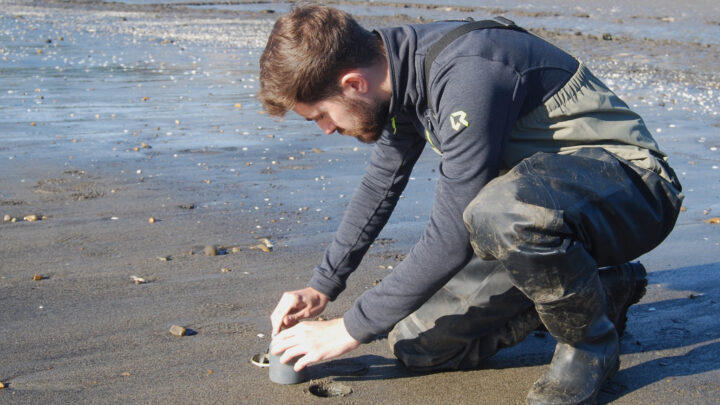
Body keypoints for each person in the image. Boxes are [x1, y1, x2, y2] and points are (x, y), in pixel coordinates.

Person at [259, 4, 683, 404]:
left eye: (320, 116)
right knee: (419, 344)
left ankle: (590, 346)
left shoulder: (467, 73)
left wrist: (349, 329)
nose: (327, 130)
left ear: (353, 84)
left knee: (496, 211)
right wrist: (322, 285)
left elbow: (452, 237)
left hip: (635, 191)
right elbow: (380, 187)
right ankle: (601, 292)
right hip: (537, 217)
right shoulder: (395, 78)